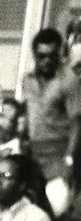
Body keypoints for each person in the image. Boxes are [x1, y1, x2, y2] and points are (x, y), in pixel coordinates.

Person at [21, 27, 81, 187]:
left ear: (59, 54)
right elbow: (27, 112)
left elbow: (77, 121)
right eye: (42, 56)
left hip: (58, 153)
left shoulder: (69, 80)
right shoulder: (27, 80)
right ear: (34, 55)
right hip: (34, 151)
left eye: (52, 55)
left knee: (57, 204)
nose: (47, 60)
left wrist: (69, 159)